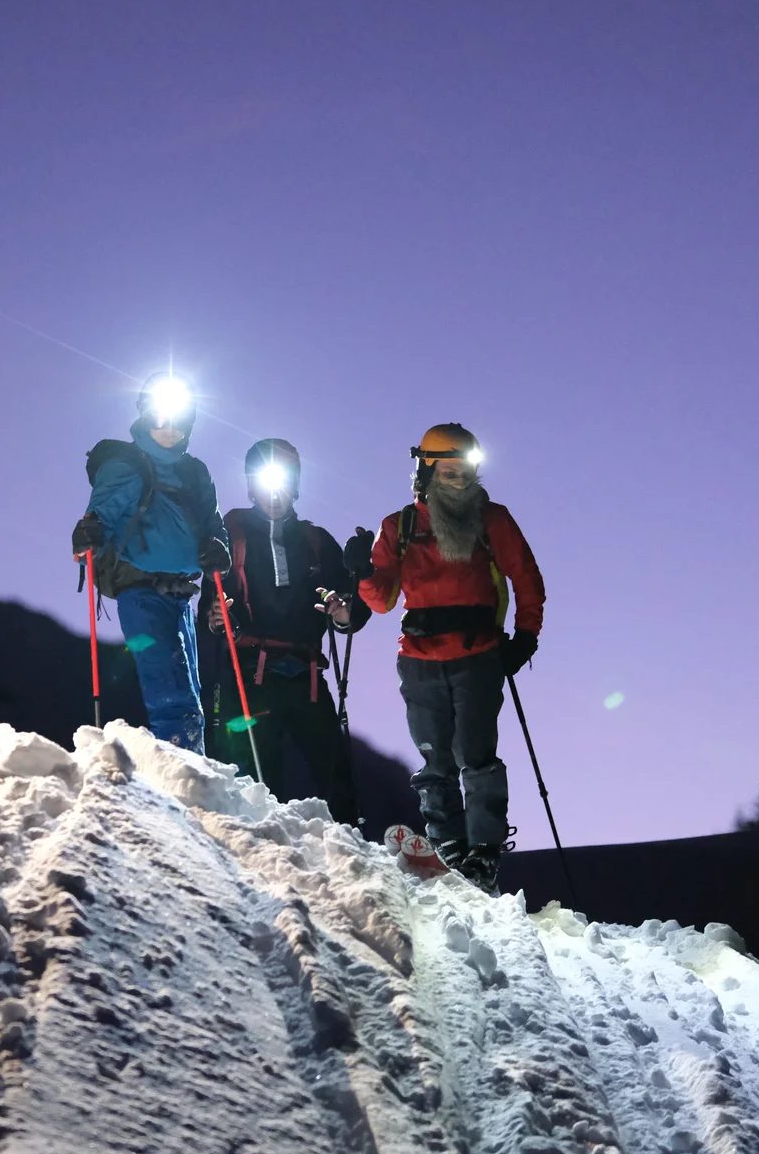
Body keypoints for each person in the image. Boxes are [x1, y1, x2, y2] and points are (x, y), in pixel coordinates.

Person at [348, 423, 545, 885]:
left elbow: (527, 578)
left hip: (477, 656)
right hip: (419, 660)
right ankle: (449, 847)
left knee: (475, 755)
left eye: (465, 473)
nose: (458, 481)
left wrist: (525, 637)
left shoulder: (492, 520)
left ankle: (484, 853)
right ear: (426, 470)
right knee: (434, 759)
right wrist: (360, 572)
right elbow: (380, 601)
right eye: (449, 472)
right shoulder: (399, 526)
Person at [200, 438, 369, 828]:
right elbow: (212, 596)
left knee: (335, 775)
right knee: (259, 780)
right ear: (250, 485)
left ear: (296, 484)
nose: (274, 492)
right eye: (265, 481)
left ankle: (351, 854)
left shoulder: (317, 541)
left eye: (283, 481)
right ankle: (262, 856)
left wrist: (345, 612)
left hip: (307, 675)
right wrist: (213, 618)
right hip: (250, 675)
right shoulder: (231, 531)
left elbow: (351, 606)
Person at [73, 372, 230, 754]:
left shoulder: (195, 472)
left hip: (182, 596)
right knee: (170, 692)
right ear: (145, 414)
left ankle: (192, 772)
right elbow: (100, 518)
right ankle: (184, 776)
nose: (170, 428)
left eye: (180, 419)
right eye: (161, 417)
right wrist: (87, 535)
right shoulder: (126, 465)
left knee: (190, 692)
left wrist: (218, 550)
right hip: (139, 593)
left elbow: (213, 524)